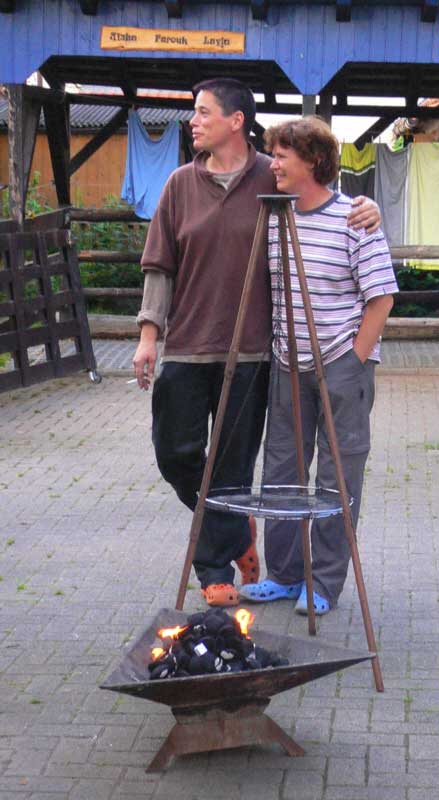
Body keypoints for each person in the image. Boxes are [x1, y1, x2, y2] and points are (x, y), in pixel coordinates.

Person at [133, 79, 382, 608]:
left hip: (274, 358)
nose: (194, 121)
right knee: (209, 460)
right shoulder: (194, 187)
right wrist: (148, 335)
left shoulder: (283, 185)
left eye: (204, 112)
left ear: (236, 120)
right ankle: (254, 546)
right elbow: (160, 264)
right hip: (222, 352)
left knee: (282, 474)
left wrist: (370, 209)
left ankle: (265, 574)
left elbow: (335, 212)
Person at [240, 116, 398, 615]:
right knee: (281, 472)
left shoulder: (355, 218)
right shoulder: (274, 217)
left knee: (337, 478)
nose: (273, 164)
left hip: (340, 367)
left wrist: (353, 360)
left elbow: (382, 298)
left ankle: (324, 583)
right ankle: (285, 576)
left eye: (282, 156)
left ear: (313, 161)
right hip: (286, 366)